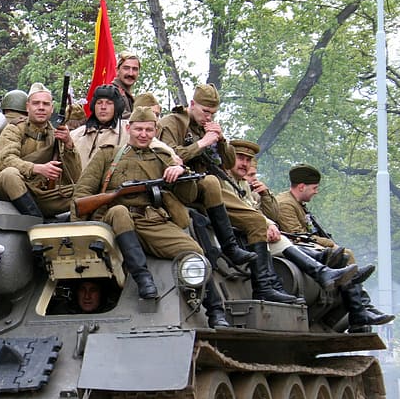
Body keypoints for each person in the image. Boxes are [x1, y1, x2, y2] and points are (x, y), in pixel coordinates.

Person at [71, 106, 230, 328]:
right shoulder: (108, 155)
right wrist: (79, 233)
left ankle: (215, 310)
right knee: (119, 211)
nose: (143, 134)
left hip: (151, 220)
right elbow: (82, 194)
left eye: (148, 129)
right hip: (113, 221)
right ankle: (144, 280)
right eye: (138, 129)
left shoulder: (163, 158)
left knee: (193, 251)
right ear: (129, 128)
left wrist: (180, 172)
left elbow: (189, 196)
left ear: (155, 131)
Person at [158, 84, 299, 304]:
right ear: (192, 104)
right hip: (185, 188)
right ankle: (230, 247)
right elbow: (167, 156)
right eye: (205, 111)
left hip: (210, 186)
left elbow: (228, 163)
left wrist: (220, 139)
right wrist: (203, 142)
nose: (208, 117)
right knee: (212, 184)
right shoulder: (173, 123)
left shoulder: (205, 128)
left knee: (255, 221)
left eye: (213, 113)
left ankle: (264, 287)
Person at [275, 164, 394, 332]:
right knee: (343, 256)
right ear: (301, 187)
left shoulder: (296, 203)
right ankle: (361, 308)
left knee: (345, 257)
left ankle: (362, 308)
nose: (316, 191)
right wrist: (330, 244)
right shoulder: (285, 204)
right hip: (297, 248)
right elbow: (296, 235)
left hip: (305, 246)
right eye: (314, 188)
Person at [227, 142, 358, 292]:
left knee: (341, 254)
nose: (245, 165)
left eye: (248, 160)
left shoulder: (244, 186)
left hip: (259, 234)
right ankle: (324, 270)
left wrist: (266, 196)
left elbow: (266, 215)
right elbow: (295, 233)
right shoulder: (285, 203)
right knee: (339, 253)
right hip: (248, 237)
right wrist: (327, 243)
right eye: (241, 158)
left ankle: (356, 299)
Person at [0, 82, 81, 219]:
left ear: (52, 109)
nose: (41, 108)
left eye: (46, 104)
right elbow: (6, 161)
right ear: (27, 107)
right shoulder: (14, 128)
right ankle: (36, 222)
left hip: (41, 194)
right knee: (9, 174)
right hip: (13, 189)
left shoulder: (56, 134)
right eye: (36, 103)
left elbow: (75, 176)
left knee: (83, 190)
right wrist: (37, 168)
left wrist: (69, 144)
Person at [112, 51, 141, 118]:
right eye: (126, 68)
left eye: (135, 69)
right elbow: (124, 117)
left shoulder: (128, 96)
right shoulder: (112, 92)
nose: (130, 73)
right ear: (117, 70)